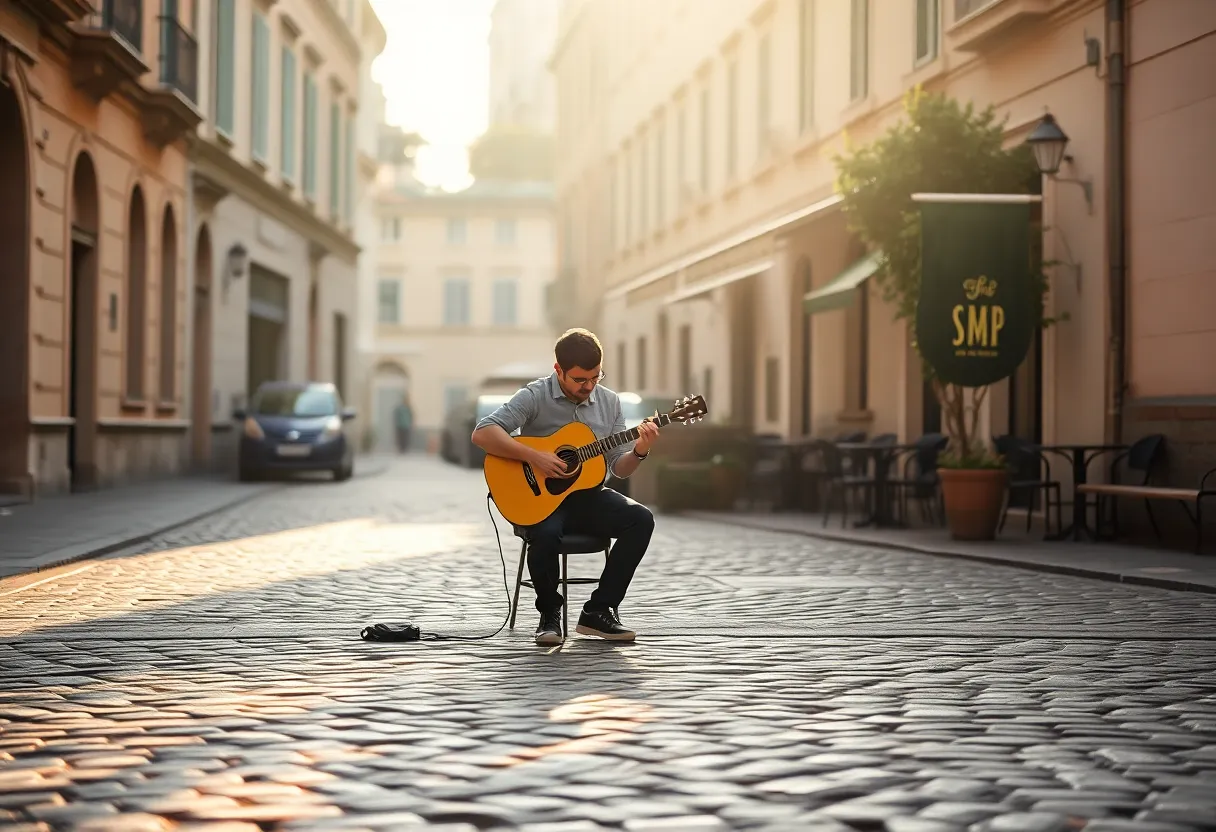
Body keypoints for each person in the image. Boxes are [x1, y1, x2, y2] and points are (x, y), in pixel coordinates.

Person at [471, 328, 659, 646]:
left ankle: (598, 612)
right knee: (545, 534)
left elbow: (618, 468)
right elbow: (483, 433)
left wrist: (640, 450)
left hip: (586, 496)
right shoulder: (534, 395)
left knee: (641, 519)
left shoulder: (610, 402)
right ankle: (549, 617)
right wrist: (535, 457)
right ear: (558, 370)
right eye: (579, 380)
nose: (588, 387)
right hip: (538, 498)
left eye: (595, 378)